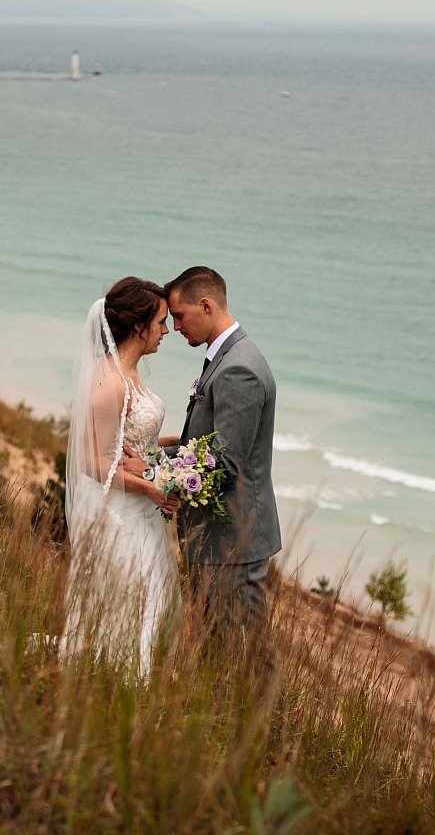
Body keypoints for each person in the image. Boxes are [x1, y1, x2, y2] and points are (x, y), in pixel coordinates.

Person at [156, 266, 280, 653]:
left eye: (179, 316)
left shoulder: (238, 369)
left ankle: (257, 717)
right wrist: (161, 451)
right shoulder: (227, 357)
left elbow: (223, 465)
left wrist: (151, 472)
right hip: (219, 543)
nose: (175, 327)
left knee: (238, 659)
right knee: (221, 655)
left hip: (231, 546)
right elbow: (206, 444)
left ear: (205, 305)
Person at [62, 277, 179, 677]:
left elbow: (132, 441)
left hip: (140, 511)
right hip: (119, 516)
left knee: (150, 603)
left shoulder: (130, 375)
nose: (167, 331)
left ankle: (132, 683)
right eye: (161, 322)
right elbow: (89, 460)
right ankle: (122, 685)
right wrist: (151, 488)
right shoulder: (108, 384)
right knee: (130, 604)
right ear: (138, 326)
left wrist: (181, 443)